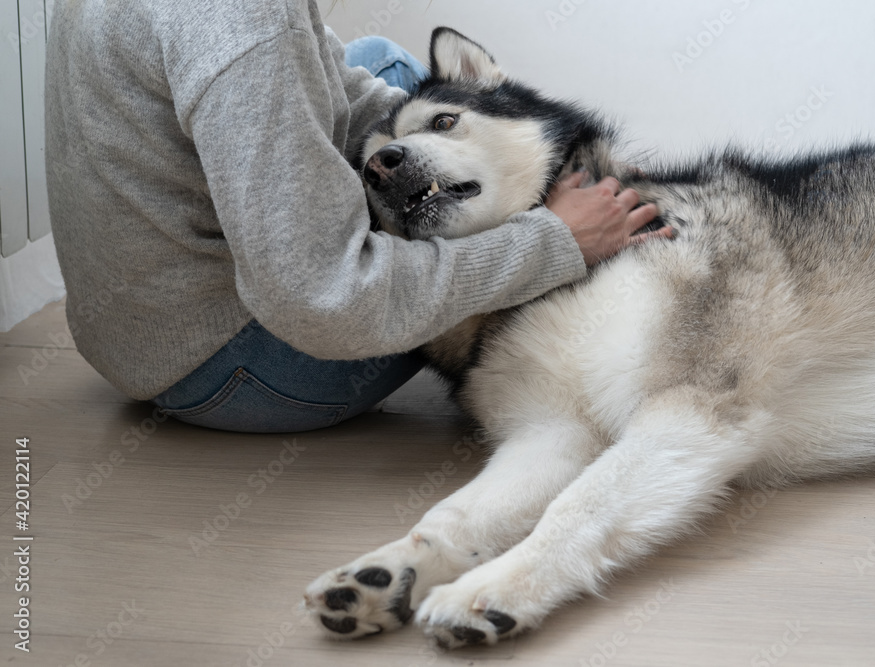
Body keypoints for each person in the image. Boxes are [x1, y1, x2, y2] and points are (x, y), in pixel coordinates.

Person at [45, 1, 665, 433]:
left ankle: (541, 199)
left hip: (135, 328)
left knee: (388, 70)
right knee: (440, 171)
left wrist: (445, 133)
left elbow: (334, 85)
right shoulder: (244, 22)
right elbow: (317, 300)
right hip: (239, 365)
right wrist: (551, 242)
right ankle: (580, 231)